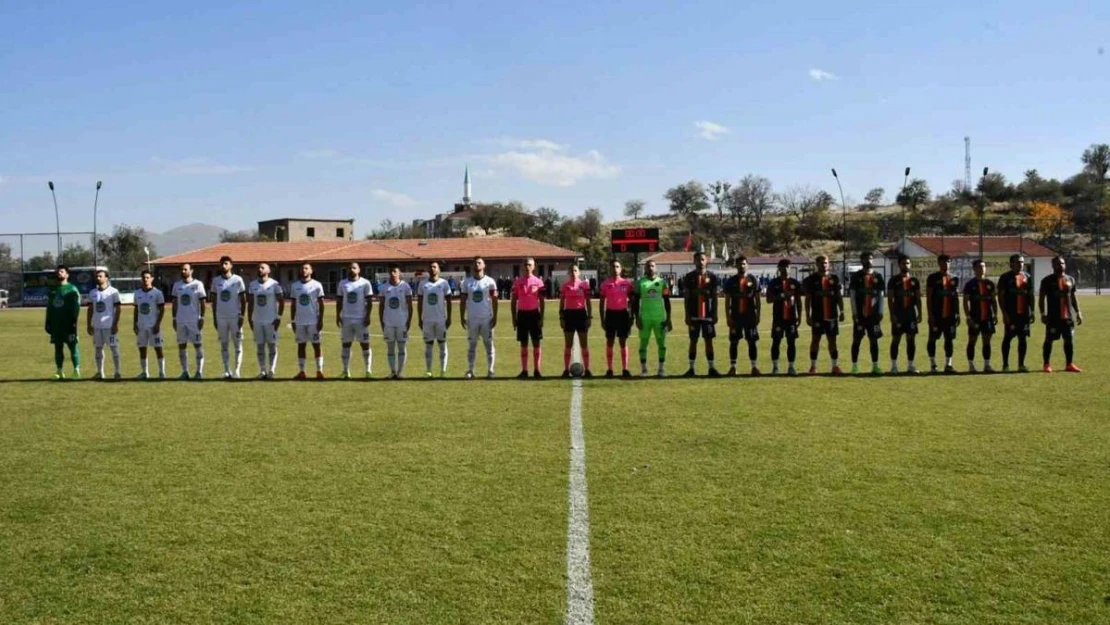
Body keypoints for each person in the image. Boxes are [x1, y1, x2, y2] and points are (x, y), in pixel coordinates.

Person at [1039, 255, 1083, 373]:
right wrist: (1043, 313)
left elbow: (1073, 297)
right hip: (1053, 317)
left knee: (1068, 340)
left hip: (1068, 317)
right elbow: (1042, 298)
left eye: (1062, 263)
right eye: (1058, 263)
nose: (1061, 265)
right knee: (1049, 340)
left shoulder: (1070, 279)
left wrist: (1078, 312)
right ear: (1053, 266)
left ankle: (1069, 364)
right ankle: (1046, 364)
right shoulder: (1047, 280)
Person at [681, 251, 721, 377]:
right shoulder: (689, 277)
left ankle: (711, 368)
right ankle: (691, 369)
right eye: (698, 260)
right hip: (693, 314)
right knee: (693, 341)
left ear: (706, 261)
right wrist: (687, 314)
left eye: (703, 259)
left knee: (708, 341)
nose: (700, 262)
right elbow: (686, 297)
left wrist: (715, 313)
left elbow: (715, 297)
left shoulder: (713, 277)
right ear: (694, 261)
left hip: (708, 315)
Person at [802, 255, 845, 375]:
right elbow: (808, 299)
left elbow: (839, 297)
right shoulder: (811, 279)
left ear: (829, 264)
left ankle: (835, 366)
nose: (823, 265)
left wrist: (842, 311)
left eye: (825, 262)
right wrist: (807, 315)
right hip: (817, 316)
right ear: (817, 264)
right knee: (815, 340)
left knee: (832, 341)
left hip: (831, 315)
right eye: (821, 263)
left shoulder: (834, 278)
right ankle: (813, 367)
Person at [847, 251, 886, 375]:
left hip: (873, 315)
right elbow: (852, 295)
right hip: (860, 315)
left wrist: (880, 311)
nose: (868, 261)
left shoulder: (878, 276)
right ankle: (854, 366)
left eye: (870, 258)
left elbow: (881, 295)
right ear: (861, 261)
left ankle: (875, 366)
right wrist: (854, 313)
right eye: (865, 259)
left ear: (872, 260)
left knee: (874, 340)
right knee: (856, 340)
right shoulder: (856, 276)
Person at [632, 259, 672, 377]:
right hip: (645, 318)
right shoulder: (640, 283)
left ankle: (661, 369)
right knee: (643, 344)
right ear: (645, 268)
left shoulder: (663, 283)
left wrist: (668, 318)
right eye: (648, 266)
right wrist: (637, 318)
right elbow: (635, 302)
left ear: (656, 268)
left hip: (659, 318)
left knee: (662, 344)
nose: (650, 268)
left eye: (653, 266)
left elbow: (667, 301)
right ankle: (644, 370)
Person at [460, 256, 498, 379]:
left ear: (484, 265)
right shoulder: (466, 282)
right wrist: (462, 316)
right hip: (472, 319)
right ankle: (471, 370)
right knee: (472, 345)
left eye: (479, 262)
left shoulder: (490, 282)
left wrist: (495, 316)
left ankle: (491, 370)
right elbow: (463, 300)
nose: (477, 264)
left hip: (486, 319)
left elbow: (495, 301)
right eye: (475, 263)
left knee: (489, 344)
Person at [723, 256, 762, 376]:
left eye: (744, 264)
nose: (742, 266)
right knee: (734, 342)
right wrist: (728, 317)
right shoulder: (731, 281)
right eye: (739, 264)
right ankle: (733, 367)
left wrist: (758, 315)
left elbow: (758, 300)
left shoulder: (753, 279)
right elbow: (727, 300)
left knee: (752, 342)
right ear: (736, 266)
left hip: (750, 316)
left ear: (747, 265)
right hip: (736, 316)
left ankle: (754, 367)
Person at [996, 254, 1034, 372]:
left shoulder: (1027, 276)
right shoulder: (1005, 277)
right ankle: (1005, 365)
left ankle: (1021, 364)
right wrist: (1004, 314)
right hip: (1011, 314)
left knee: (1023, 339)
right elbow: (1001, 297)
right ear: (1011, 263)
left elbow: (1030, 296)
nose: (1020, 264)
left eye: (1022, 262)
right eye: (1018, 262)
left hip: (1024, 315)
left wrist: (1032, 311)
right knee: (1008, 338)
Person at [211, 255, 247, 379]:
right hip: (221, 317)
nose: (223, 266)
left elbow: (243, 300)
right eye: (222, 264)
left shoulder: (238, 280)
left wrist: (242, 315)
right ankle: (226, 370)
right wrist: (214, 317)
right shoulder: (216, 281)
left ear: (231, 265)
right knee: (224, 345)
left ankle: (237, 370)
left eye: (226, 263)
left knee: (238, 345)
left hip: (235, 317)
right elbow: (214, 301)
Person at [336, 261, 374, 379]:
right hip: (347, 319)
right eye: (350, 268)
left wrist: (368, 316)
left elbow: (370, 301)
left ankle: (368, 371)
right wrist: (338, 315)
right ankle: (346, 371)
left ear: (359, 270)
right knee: (346, 344)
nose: (352, 270)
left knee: (365, 344)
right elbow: (339, 301)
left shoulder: (365, 283)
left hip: (360, 319)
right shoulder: (343, 283)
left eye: (354, 268)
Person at [246, 263, 284, 379]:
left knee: (272, 346)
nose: (260, 269)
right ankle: (262, 370)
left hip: (270, 321)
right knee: (260, 346)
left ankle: (272, 370)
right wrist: (250, 319)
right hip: (257, 320)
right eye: (258, 268)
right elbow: (251, 303)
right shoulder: (252, 285)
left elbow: (281, 302)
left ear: (268, 270)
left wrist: (278, 318)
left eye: (263, 267)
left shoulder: (274, 284)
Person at [766, 259, 802, 376]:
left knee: (791, 342)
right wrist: (781, 296)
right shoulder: (773, 283)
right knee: (776, 341)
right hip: (778, 318)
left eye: (788, 267)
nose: (786, 269)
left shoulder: (795, 283)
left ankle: (791, 367)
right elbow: (768, 299)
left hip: (791, 318)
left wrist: (800, 316)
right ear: (779, 268)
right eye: (783, 267)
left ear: (790, 268)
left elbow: (798, 301)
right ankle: (775, 367)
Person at [886, 255, 922, 374]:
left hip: (911, 315)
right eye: (903, 263)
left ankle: (910, 366)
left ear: (910, 265)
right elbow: (890, 299)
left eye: (907, 263)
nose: (906, 265)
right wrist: (892, 315)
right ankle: (894, 366)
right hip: (898, 314)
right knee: (896, 339)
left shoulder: (914, 281)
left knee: (911, 340)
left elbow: (917, 298)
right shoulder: (893, 280)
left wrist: (920, 313)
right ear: (899, 265)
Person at [171, 263, 207, 380]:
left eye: (185, 269)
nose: (183, 271)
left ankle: (199, 372)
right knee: (182, 346)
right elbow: (175, 303)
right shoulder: (177, 285)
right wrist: (174, 318)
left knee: (198, 345)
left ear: (191, 271)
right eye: (181, 269)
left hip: (194, 321)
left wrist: (202, 317)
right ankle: (185, 371)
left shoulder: (198, 284)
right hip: (181, 320)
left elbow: (202, 302)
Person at [511, 257, 546, 379]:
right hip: (522, 314)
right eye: (525, 264)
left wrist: (541, 317)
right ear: (522, 266)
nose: (527, 267)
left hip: (534, 314)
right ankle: (524, 370)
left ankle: (537, 370)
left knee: (536, 343)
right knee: (523, 343)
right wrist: (513, 317)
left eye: (530, 265)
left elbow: (542, 301)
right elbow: (513, 301)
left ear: (534, 266)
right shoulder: (517, 282)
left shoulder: (539, 282)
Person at [925, 254, 960, 374]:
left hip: (950, 315)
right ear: (939, 263)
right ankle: (933, 365)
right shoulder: (933, 278)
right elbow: (929, 297)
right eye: (944, 262)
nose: (946, 264)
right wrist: (930, 315)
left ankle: (948, 365)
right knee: (933, 339)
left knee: (949, 339)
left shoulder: (954, 278)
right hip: (937, 315)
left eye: (948, 262)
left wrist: (957, 313)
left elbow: (955, 297)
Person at [290, 262, 325, 379]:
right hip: (300, 321)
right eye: (302, 268)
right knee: (301, 346)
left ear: (311, 271)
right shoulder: (295, 286)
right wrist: (293, 320)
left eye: (306, 268)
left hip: (313, 321)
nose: (303, 270)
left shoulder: (317, 285)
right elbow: (293, 304)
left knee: (316, 345)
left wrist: (320, 319)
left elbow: (321, 303)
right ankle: (302, 371)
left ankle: (319, 371)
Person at [418, 260, 453, 378]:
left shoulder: (444, 283)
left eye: (434, 267)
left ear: (439, 269)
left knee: (442, 344)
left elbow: (449, 301)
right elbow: (419, 303)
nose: (432, 268)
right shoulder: (423, 284)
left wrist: (449, 317)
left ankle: (443, 370)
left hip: (440, 320)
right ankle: (429, 370)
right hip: (427, 320)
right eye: (430, 267)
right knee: (428, 345)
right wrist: (419, 318)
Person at [378, 263, 414, 379]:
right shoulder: (384, 287)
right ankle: (392, 372)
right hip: (388, 322)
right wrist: (381, 322)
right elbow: (381, 306)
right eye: (391, 271)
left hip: (402, 322)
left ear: (399, 273)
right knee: (390, 347)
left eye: (395, 271)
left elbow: (410, 306)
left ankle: (400, 372)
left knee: (402, 347)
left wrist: (409, 321)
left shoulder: (406, 287)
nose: (392, 274)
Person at [962, 259, 998, 373]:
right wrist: (968, 317)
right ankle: (971, 366)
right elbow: (965, 302)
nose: (982, 269)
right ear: (974, 269)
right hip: (975, 317)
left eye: (983, 266)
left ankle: (987, 365)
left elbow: (993, 300)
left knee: (987, 341)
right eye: (979, 267)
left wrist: (995, 314)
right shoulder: (970, 284)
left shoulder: (989, 284)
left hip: (987, 317)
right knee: (972, 341)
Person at [599, 259, 633, 378]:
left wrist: (631, 316)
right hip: (610, 314)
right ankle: (610, 369)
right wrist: (602, 319)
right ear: (610, 268)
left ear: (621, 268)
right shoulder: (605, 284)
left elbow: (632, 301)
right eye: (613, 266)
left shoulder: (627, 284)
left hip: (623, 314)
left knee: (623, 342)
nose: (615, 269)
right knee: (610, 342)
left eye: (617, 266)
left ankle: (625, 369)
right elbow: (602, 302)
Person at [86, 269, 122, 380]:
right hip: (97, 326)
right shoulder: (92, 293)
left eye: (100, 276)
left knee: (114, 349)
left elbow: (118, 309)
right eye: (97, 276)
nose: (98, 278)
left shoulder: (113, 292)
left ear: (106, 278)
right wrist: (89, 324)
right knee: (98, 349)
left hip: (109, 326)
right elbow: (90, 309)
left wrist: (115, 324)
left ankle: (117, 372)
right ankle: (100, 372)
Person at [559, 263, 593, 377]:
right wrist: (561, 317)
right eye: (571, 271)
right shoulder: (565, 286)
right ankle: (565, 369)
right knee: (568, 344)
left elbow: (588, 302)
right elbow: (562, 302)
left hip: (581, 314)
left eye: (575, 270)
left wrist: (589, 317)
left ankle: (587, 369)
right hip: (568, 314)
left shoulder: (584, 285)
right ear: (569, 273)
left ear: (579, 272)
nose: (573, 273)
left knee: (584, 344)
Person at [133, 269, 167, 379]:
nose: (145, 279)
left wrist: (157, 324)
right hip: (141, 325)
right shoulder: (137, 293)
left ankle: (162, 372)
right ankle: (145, 373)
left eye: (148, 277)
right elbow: (136, 309)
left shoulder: (157, 293)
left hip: (153, 326)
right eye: (143, 277)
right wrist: (135, 323)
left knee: (158, 348)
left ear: (152, 279)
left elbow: (162, 310)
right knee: (142, 349)